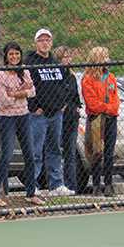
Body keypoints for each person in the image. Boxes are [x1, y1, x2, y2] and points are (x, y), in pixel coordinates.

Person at [0, 43, 43, 207]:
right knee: (7, 155)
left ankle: (31, 193)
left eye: (17, 54)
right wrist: (21, 92)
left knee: (29, 153)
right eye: (11, 54)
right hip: (7, 118)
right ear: (6, 56)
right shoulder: (0, 74)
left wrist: (14, 93)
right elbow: (4, 101)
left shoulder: (24, 71)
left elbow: (33, 92)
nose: (14, 57)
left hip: (23, 115)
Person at [25, 29, 73, 196]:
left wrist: (63, 103)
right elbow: (26, 86)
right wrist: (33, 107)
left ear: (51, 43)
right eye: (41, 40)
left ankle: (56, 184)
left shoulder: (55, 62)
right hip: (38, 115)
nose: (44, 43)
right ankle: (33, 185)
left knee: (55, 149)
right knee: (35, 151)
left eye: (47, 40)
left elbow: (66, 83)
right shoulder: (30, 62)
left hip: (56, 114)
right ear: (36, 43)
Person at [81, 46, 119, 197]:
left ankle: (109, 184)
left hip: (111, 119)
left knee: (109, 152)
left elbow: (116, 100)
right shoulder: (88, 79)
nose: (107, 60)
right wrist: (106, 107)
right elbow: (92, 104)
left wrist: (110, 109)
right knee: (97, 152)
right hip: (96, 119)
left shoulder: (110, 77)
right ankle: (96, 185)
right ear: (97, 60)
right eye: (104, 57)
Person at [54, 45, 81, 193]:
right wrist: (60, 105)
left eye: (69, 57)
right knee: (57, 151)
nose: (68, 60)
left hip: (72, 118)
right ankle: (58, 184)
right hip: (59, 118)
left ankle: (72, 186)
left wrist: (77, 106)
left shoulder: (71, 76)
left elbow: (75, 95)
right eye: (65, 57)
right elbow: (56, 94)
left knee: (70, 153)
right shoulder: (56, 75)